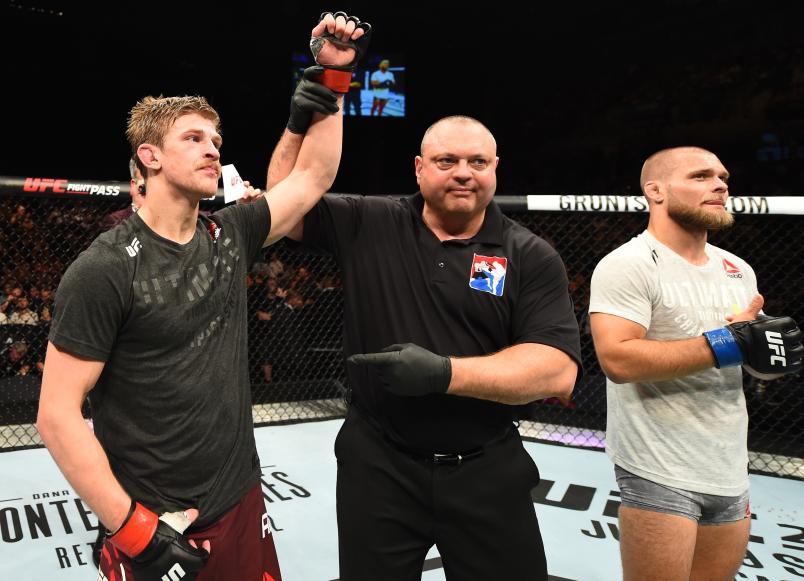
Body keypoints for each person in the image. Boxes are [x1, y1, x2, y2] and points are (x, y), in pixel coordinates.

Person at [36, 12, 369, 581]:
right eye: (193, 138)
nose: (213, 149)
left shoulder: (230, 232)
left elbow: (313, 176)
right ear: (150, 156)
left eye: (216, 140)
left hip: (241, 497)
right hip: (157, 513)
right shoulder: (104, 268)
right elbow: (55, 415)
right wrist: (131, 527)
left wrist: (333, 79)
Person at [266, 114, 582, 580]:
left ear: (495, 168)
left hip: (486, 466)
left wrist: (444, 373)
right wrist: (296, 124)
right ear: (418, 168)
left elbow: (557, 371)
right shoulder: (371, 220)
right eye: (446, 160)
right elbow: (284, 206)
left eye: (477, 161)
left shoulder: (528, 253)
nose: (462, 172)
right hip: (379, 464)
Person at [588, 146, 803, 581]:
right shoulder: (627, 264)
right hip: (658, 469)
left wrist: (769, 355)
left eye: (723, 177)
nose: (721, 185)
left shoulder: (736, 269)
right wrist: (730, 341)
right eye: (702, 176)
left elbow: (750, 360)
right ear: (656, 190)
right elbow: (618, 358)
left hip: (728, 466)